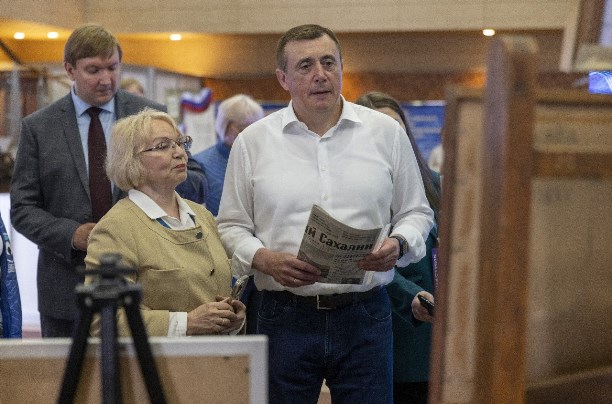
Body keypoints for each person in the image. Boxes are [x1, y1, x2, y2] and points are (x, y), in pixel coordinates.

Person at [217, 24, 434, 404]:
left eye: (328, 62)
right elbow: (231, 226)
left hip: (365, 314)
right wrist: (264, 259)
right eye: (305, 66)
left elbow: (416, 211)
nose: (320, 74)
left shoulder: (386, 133)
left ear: (342, 68)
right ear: (283, 78)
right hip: (284, 314)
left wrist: (399, 243)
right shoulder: (253, 142)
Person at [9, 23, 205, 338]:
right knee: (70, 371)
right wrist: (72, 235)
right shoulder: (39, 127)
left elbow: (195, 179)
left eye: (113, 67)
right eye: (94, 70)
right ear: (69, 70)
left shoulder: (149, 115)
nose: (106, 79)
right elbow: (23, 209)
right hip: (66, 288)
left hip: (147, 286)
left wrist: (160, 172)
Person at [84, 108, 245, 336]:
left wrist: (233, 317)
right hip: (159, 358)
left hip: (219, 355)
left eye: (180, 143)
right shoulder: (115, 228)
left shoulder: (202, 215)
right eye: (162, 146)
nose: (179, 152)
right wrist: (186, 323)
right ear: (131, 160)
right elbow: (102, 318)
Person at [356, 91, 441, 404]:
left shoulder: (436, 182)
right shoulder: (356, 191)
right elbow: (364, 260)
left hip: (439, 324)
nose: (392, 136)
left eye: (397, 126)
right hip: (392, 319)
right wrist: (410, 296)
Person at [193, 94, 264, 216]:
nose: (248, 134)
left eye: (254, 129)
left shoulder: (266, 158)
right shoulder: (200, 163)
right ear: (223, 125)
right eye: (242, 129)